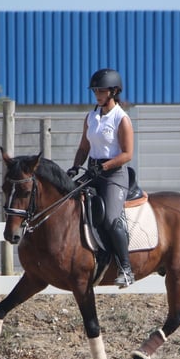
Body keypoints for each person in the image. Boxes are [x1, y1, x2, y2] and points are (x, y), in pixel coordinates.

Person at [68, 68, 136, 288]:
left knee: (110, 218)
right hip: (92, 172)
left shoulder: (121, 118)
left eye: (102, 90)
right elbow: (84, 146)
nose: (97, 93)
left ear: (113, 91)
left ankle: (126, 269)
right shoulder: (91, 117)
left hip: (114, 175)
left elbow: (127, 154)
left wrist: (105, 166)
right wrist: (75, 167)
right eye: (95, 90)